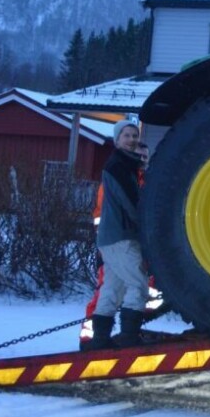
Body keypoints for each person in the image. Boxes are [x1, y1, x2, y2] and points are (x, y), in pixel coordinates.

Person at [79, 141, 163, 350]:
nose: (143, 160)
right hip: (119, 242)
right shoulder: (121, 178)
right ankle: (94, 338)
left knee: (114, 288)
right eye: (139, 156)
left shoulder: (143, 180)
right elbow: (112, 213)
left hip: (121, 242)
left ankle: (102, 338)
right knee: (127, 285)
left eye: (145, 157)